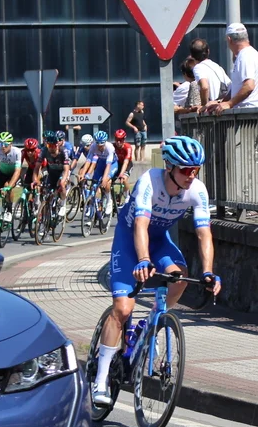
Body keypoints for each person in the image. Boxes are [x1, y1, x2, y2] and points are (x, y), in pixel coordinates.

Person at [90, 136, 221, 406]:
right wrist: (143, 260)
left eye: (196, 170)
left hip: (159, 241)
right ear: (169, 166)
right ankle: (100, 379)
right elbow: (140, 225)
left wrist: (208, 272)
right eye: (186, 169)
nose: (191, 175)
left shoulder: (197, 190)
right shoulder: (150, 181)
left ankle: (150, 323)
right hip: (130, 241)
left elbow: (204, 234)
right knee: (123, 309)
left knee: (180, 276)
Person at [203, 23, 258, 115]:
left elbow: (249, 86)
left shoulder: (246, 55)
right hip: (249, 112)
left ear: (229, 39)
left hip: (248, 113)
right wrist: (220, 103)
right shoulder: (248, 54)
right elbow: (236, 88)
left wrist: (229, 103)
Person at [78, 130, 117, 219]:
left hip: (112, 164)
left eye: (101, 145)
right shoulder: (93, 147)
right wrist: (83, 174)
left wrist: (104, 178)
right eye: (98, 145)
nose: (99, 147)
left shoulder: (110, 147)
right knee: (94, 186)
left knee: (107, 182)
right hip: (101, 163)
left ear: (105, 142)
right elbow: (88, 161)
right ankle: (92, 211)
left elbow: (108, 165)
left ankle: (109, 201)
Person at [189, 38, 231, 107]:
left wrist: (204, 106)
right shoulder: (217, 66)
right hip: (224, 105)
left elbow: (204, 87)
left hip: (214, 108)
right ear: (208, 51)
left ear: (192, 55)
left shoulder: (198, 67)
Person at [40, 130, 71, 216]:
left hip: (62, 171)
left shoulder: (64, 151)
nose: (50, 148)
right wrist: (36, 178)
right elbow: (37, 166)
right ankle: (48, 212)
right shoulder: (44, 150)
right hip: (52, 171)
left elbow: (66, 169)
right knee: (47, 190)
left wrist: (63, 181)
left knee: (61, 185)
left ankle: (63, 204)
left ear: (57, 145)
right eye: (48, 145)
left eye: (52, 146)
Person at [111, 128, 135, 204]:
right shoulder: (112, 147)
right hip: (117, 164)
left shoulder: (128, 147)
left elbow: (126, 162)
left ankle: (127, 196)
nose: (118, 142)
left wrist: (121, 174)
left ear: (124, 139)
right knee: (109, 180)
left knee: (123, 179)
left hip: (127, 164)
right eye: (116, 139)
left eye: (120, 140)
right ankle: (112, 197)